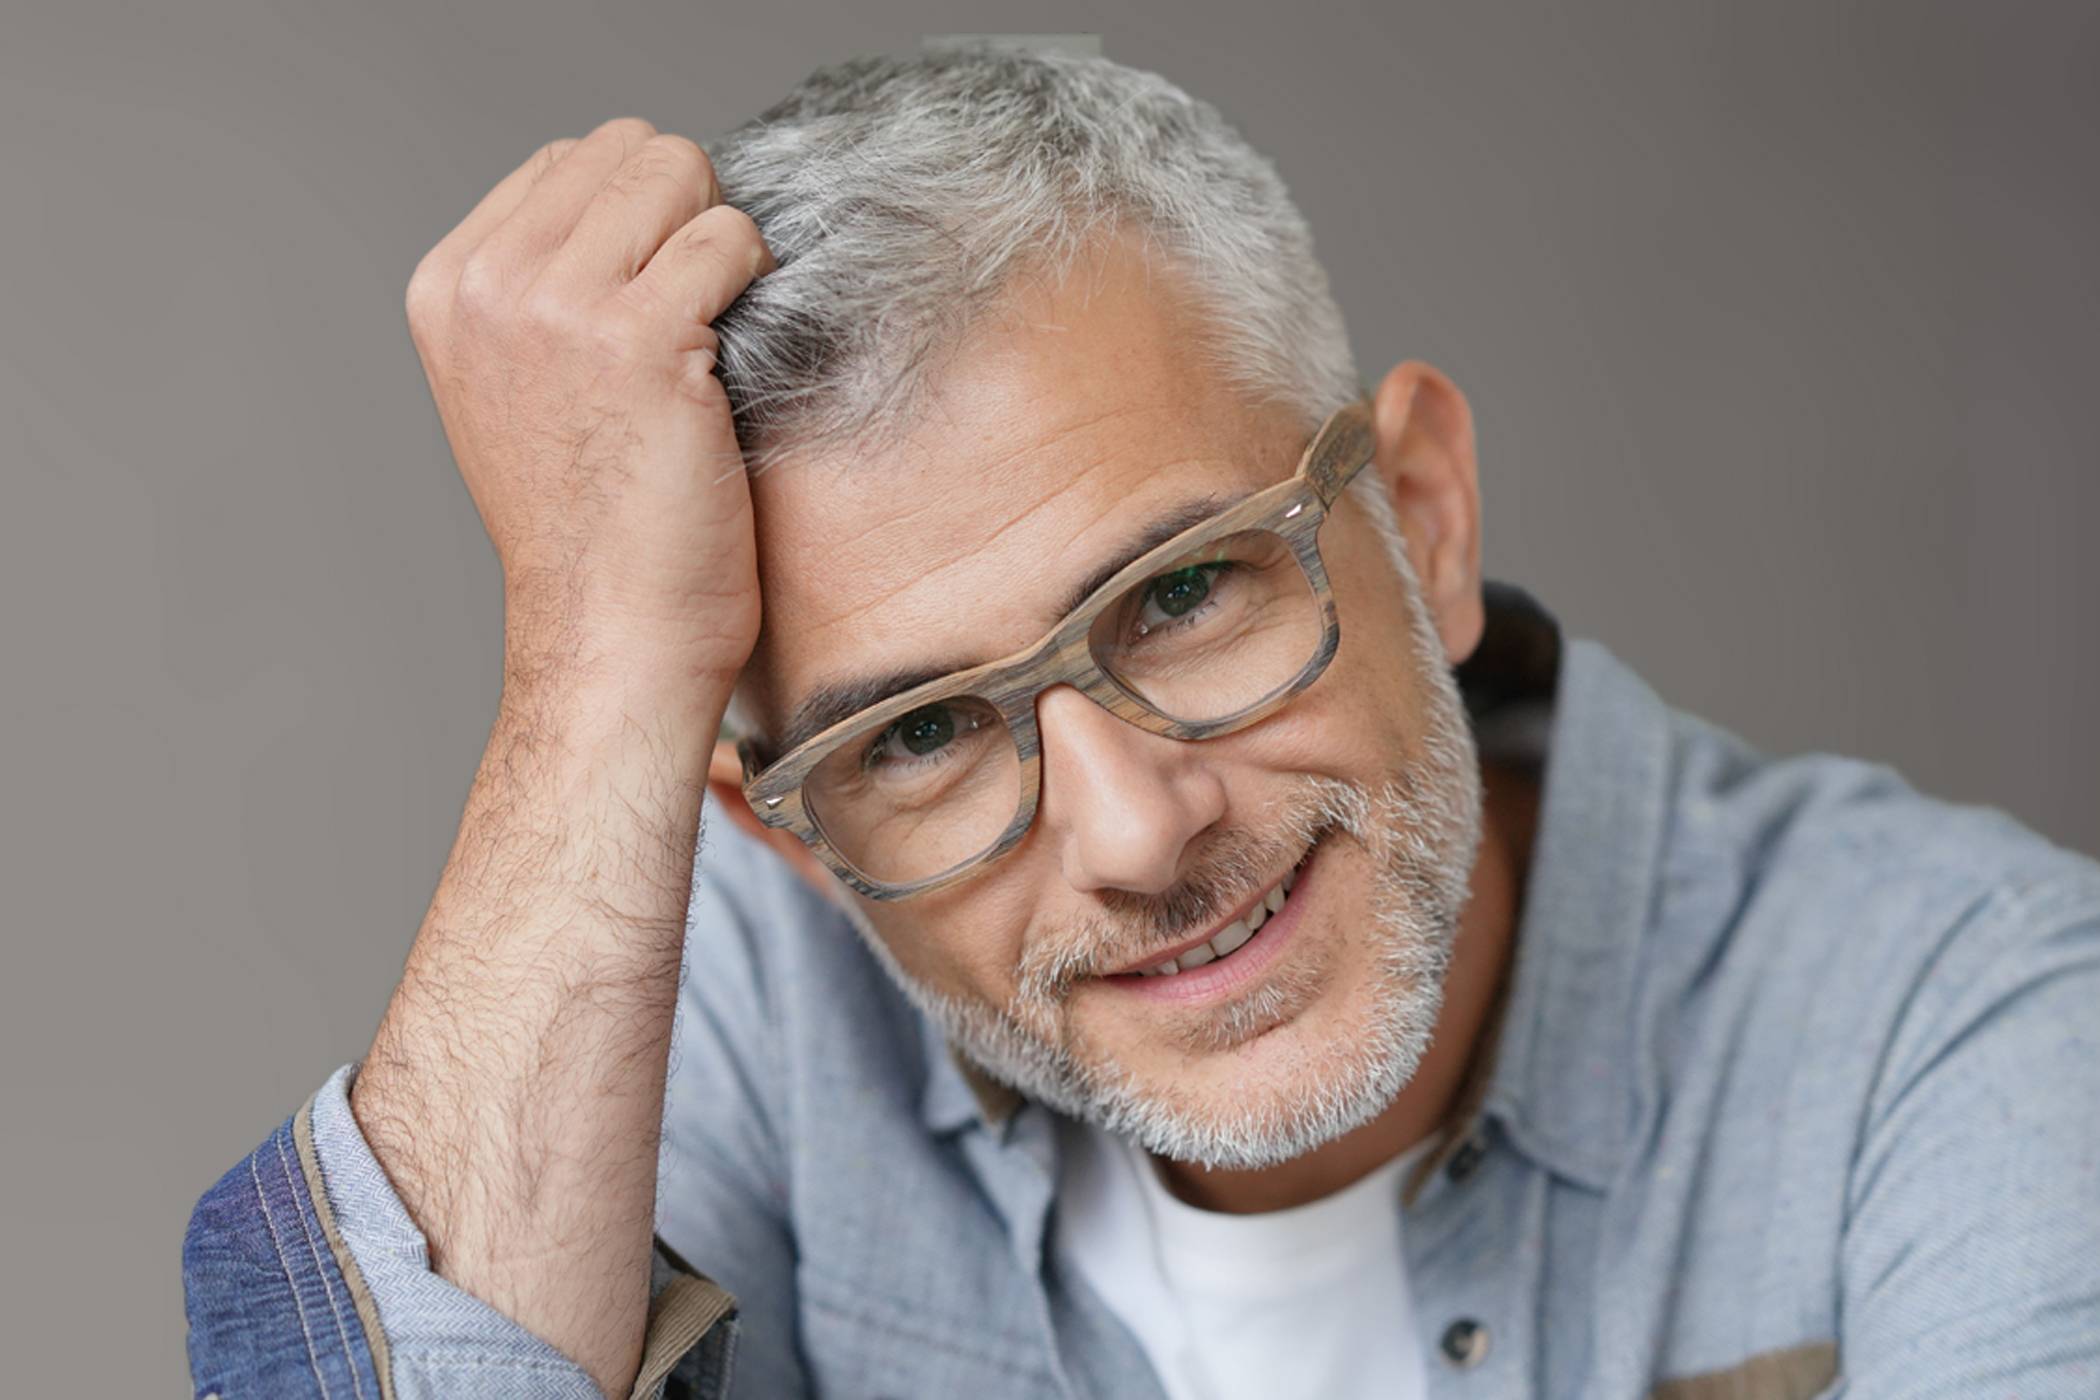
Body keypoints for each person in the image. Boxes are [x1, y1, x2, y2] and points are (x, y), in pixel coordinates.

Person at [182, 48, 2100, 1400]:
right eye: (918, 737)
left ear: (1421, 521)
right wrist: (597, 660)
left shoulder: (1964, 1028)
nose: (1130, 831)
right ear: (778, 829)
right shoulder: (749, 1036)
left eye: (1183, 595)